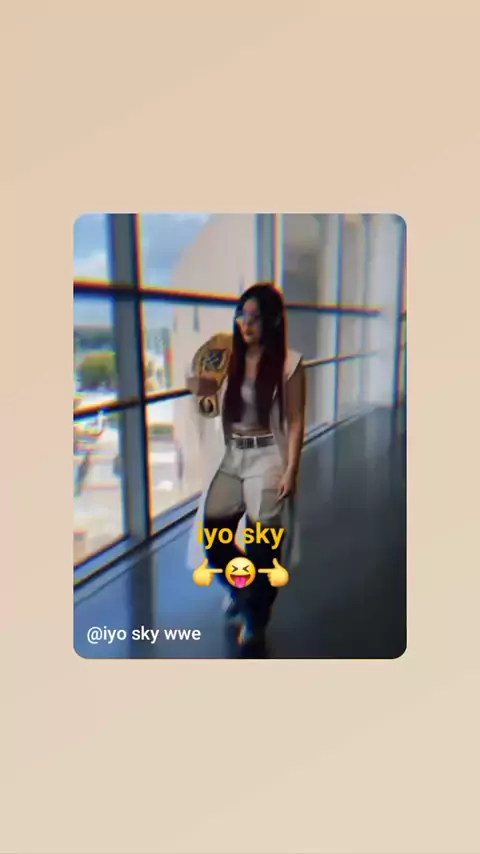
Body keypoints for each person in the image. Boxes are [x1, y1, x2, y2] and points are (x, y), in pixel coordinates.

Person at [187, 283, 306, 649]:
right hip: (232, 454)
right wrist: (201, 387)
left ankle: (256, 618)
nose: (246, 323)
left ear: (273, 321)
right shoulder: (228, 358)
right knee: (215, 538)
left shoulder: (289, 363)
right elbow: (208, 407)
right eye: (241, 315)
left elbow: (296, 420)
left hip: (266, 456)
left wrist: (291, 470)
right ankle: (243, 594)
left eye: (254, 317)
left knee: (262, 545)